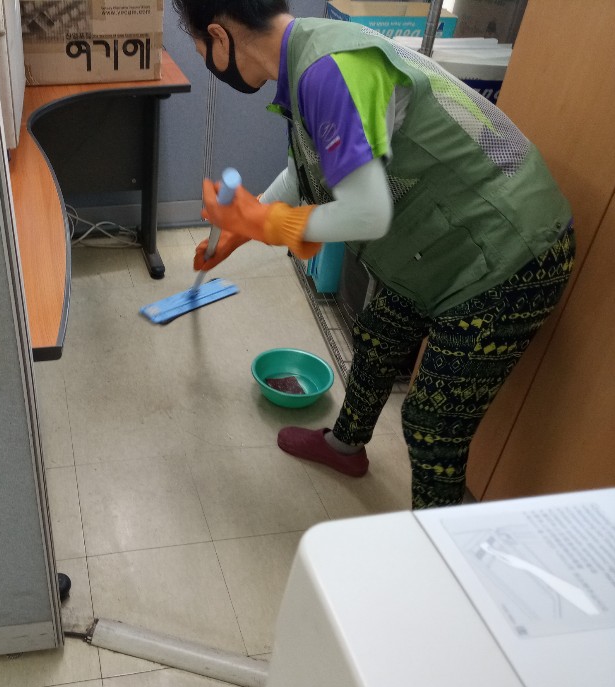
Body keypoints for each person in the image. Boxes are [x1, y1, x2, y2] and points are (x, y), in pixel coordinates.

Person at [172, 0, 575, 508]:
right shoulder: (306, 56)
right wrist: (239, 232)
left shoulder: (328, 72)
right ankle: (345, 447)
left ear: (220, 36)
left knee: (432, 426)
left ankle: (441, 549)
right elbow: (305, 172)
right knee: (378, 334)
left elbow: (368, 214)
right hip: (446, 239)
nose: (209, 63)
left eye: (201, 52)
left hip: (512, 250)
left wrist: (267, 223)